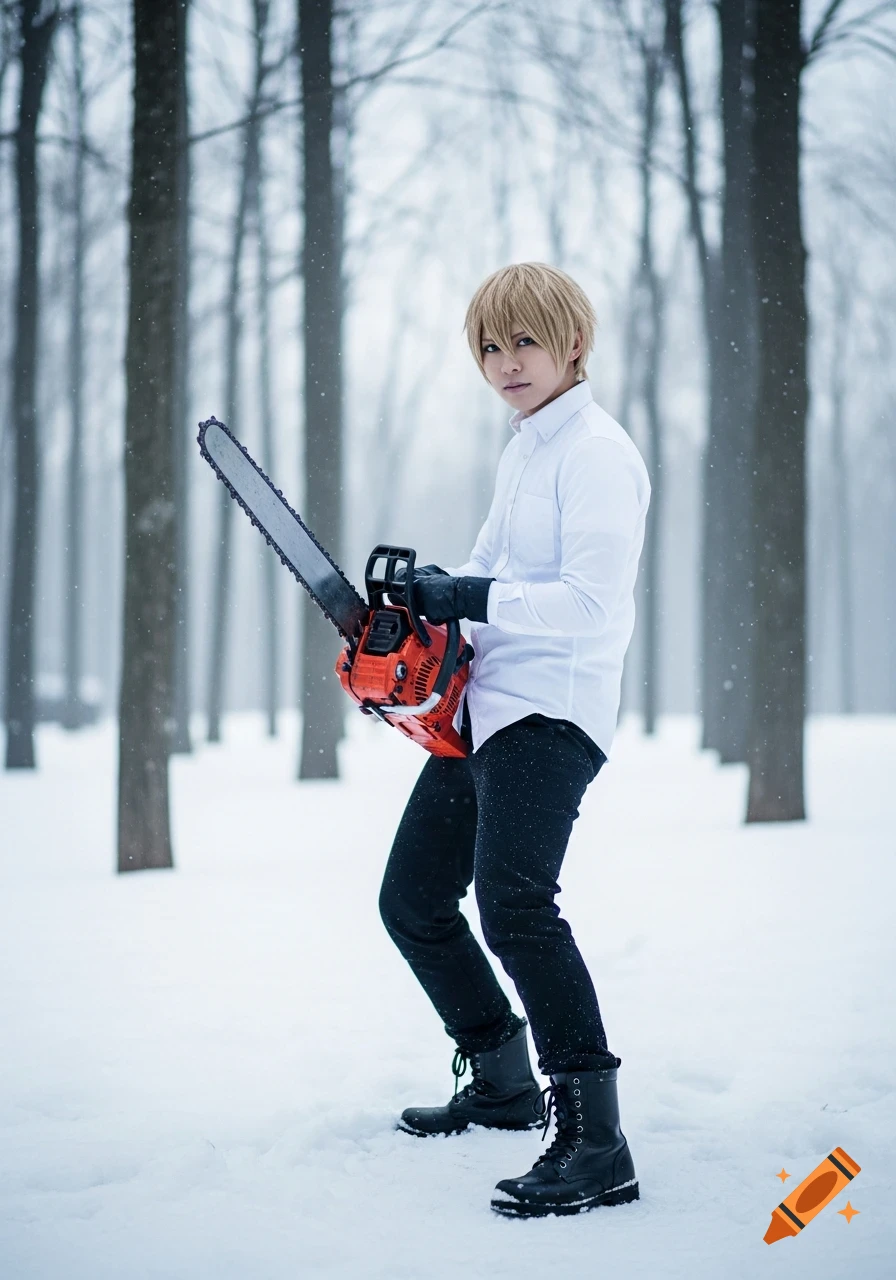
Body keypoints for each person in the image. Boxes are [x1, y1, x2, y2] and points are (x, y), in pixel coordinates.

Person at [378, 262, 651, 1218]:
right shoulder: (526, 450)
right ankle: (500, 1078)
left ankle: (596, 1141)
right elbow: (489, 566)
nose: (506, 363)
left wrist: (471, 596)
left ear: (573, 343)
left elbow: (589, 603)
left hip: (552, 713)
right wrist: (427, 614)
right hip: (487, 707)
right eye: (490, 347)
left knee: (517, 908)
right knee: (413, 898)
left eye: (525, 341)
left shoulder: (598, 455)